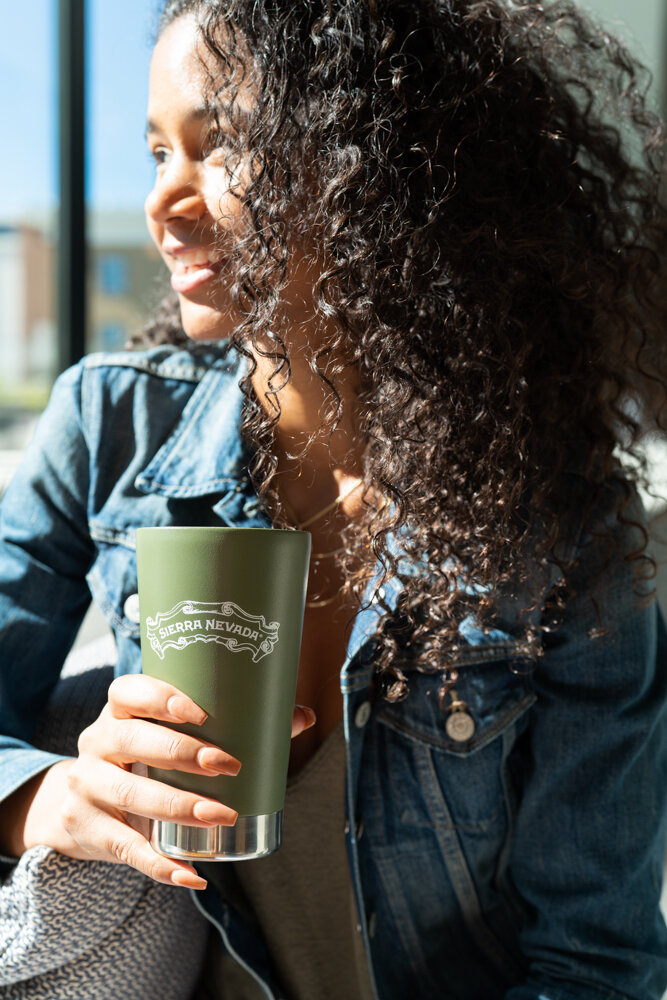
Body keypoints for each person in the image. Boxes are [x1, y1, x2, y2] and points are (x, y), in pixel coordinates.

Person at [1, 0, 666, 997]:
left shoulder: (562, 529)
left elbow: (595, 965)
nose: (163, 200)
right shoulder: (107, 425)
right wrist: (37, 795)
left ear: (370, 166)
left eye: (216, 146)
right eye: (154, 153)